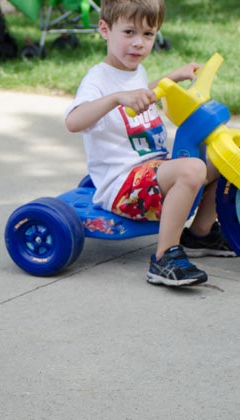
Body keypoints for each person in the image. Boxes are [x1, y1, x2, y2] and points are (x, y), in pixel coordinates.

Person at [64, 0, 235, 287]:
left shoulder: (134, 70)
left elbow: (144, 92)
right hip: (123, 185)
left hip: (151, 171)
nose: (139, 44)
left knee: (219, 159)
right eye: (129, 32)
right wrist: (116, 99)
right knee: (192, 169)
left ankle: (200, 234)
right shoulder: (97, 80)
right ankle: (164, 257)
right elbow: (73, 121)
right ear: (105, 29)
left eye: (148, 34)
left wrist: (174, 77)